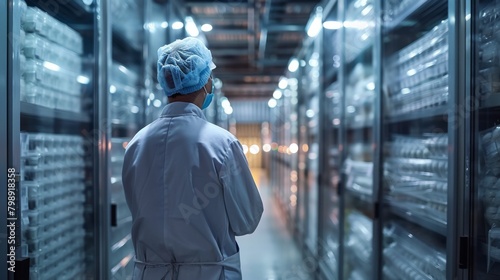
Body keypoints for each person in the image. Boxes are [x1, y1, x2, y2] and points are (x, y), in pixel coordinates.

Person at [122, 37, 264, 280]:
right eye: (209, 76)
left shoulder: (136, 144)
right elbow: (247, 221)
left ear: (165, 81)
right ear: (205, 82)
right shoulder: (223, 144)